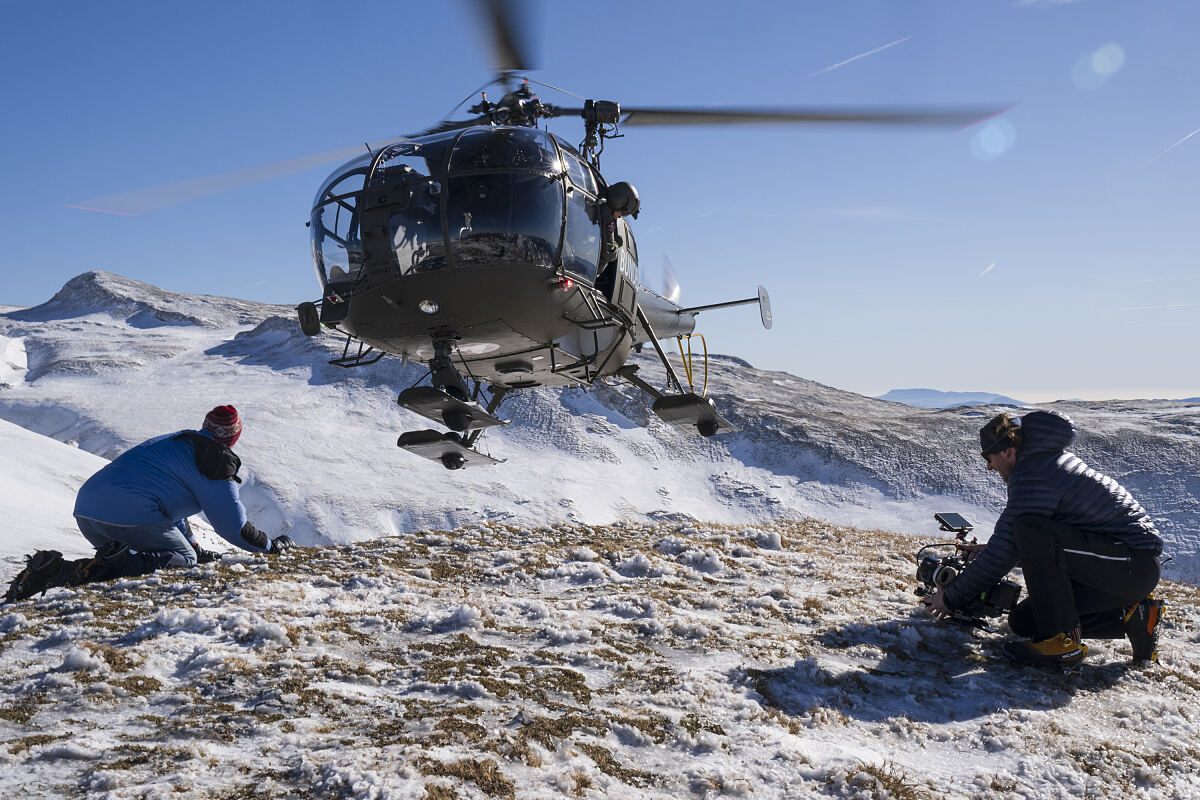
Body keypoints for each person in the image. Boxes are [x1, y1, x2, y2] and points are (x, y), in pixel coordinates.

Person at [925, 409, 1164, 666]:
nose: (989, 466)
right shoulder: (1043, 462)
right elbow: (1042, 545)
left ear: (1007, 451)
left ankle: (1061, 642)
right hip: (1116, 567)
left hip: (1132, 564)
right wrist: (988, 550)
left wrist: (949, 598)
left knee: (1027, 529)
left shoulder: (1034, 474)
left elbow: (1013, 545)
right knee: (1023, 621)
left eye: (989, 457)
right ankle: (1132, 614)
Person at [4, 406, 294, 603]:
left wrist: (193, 545)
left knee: (131, 556)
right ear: (234, 436)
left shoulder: (179, 441)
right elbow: (232, 525)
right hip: (127, 513)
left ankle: (54, 569)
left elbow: (170, 510)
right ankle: (63, 572)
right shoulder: (215, 460)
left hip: (87, 510)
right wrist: (269, 547)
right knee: (184, 562)